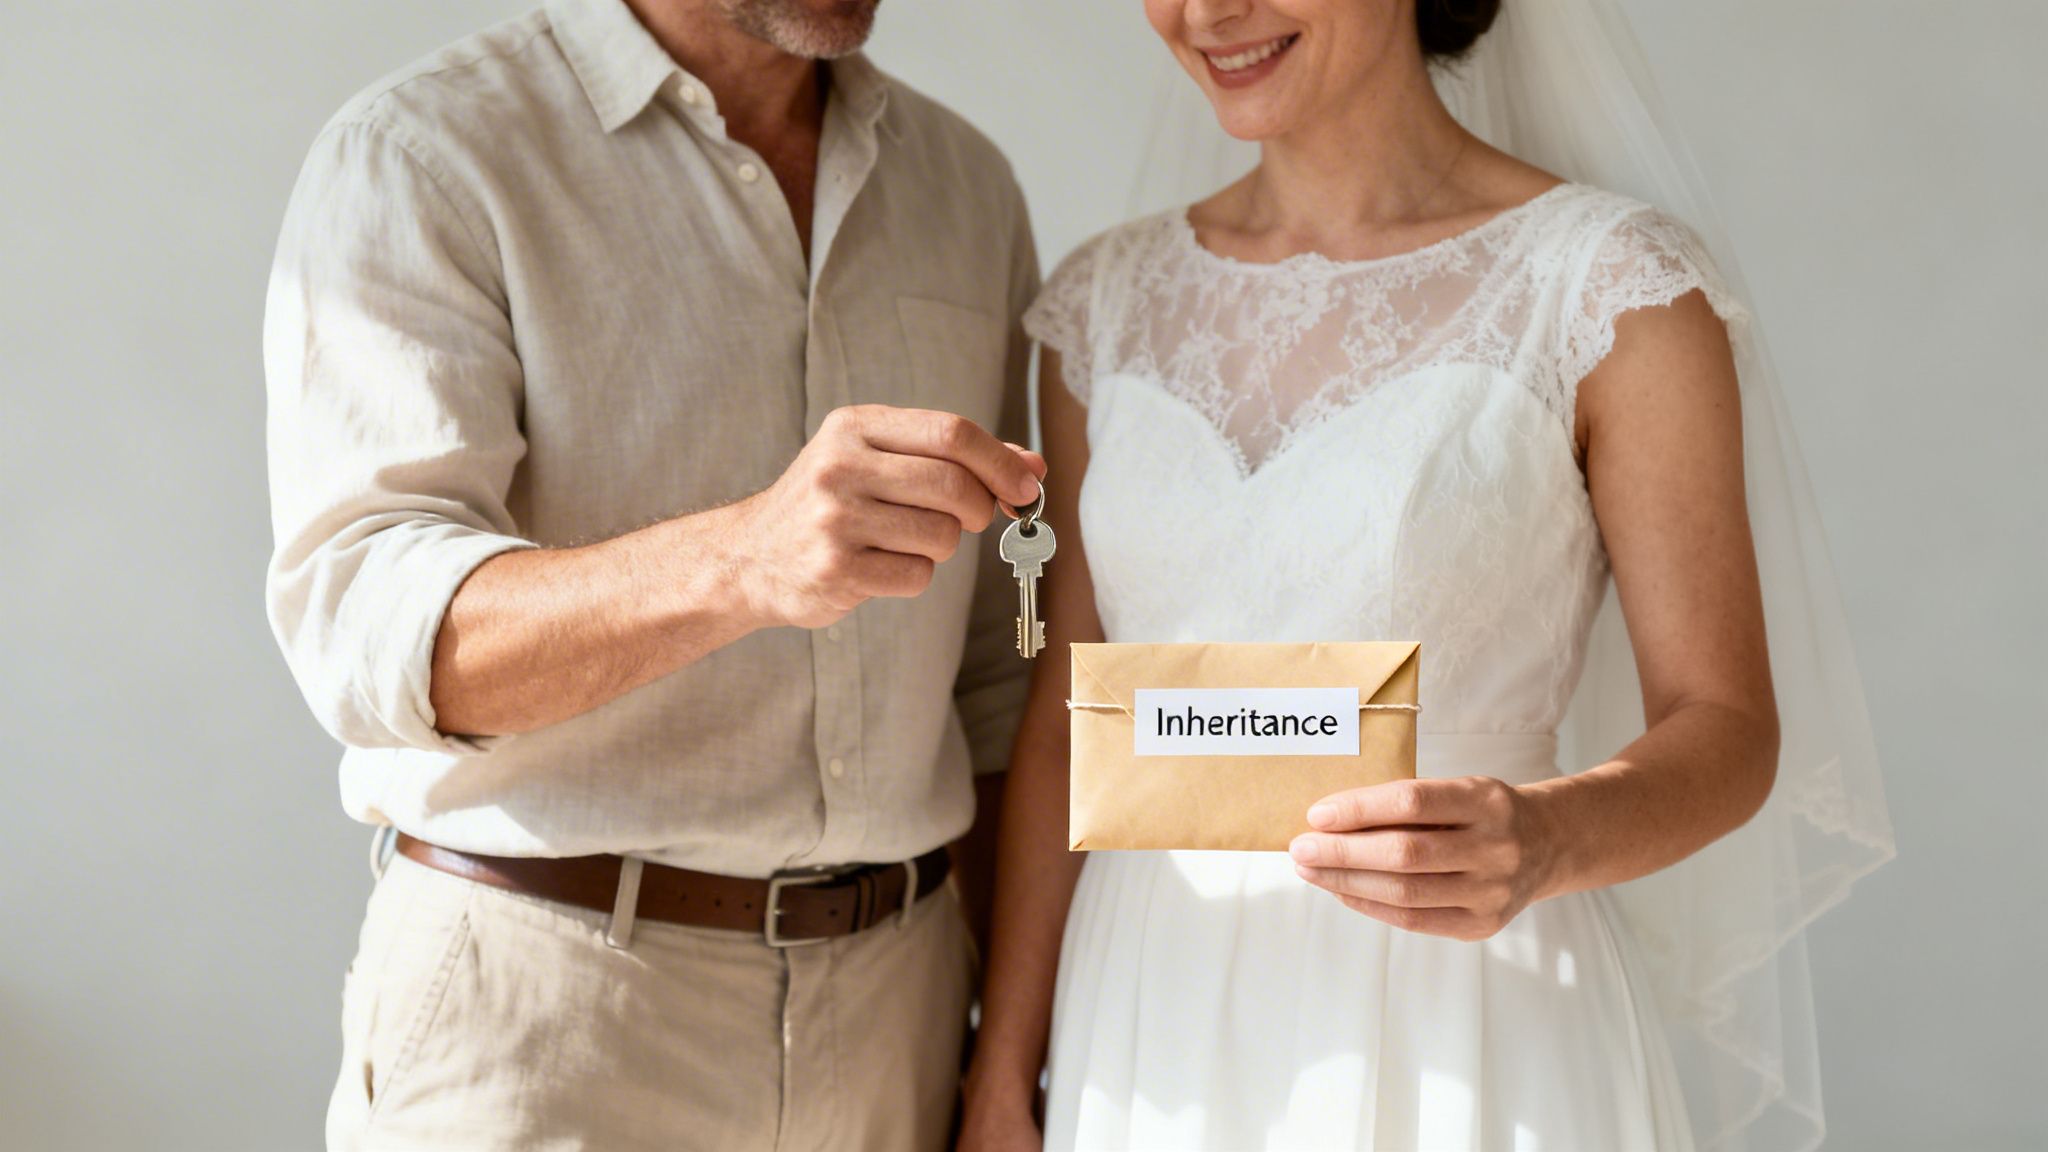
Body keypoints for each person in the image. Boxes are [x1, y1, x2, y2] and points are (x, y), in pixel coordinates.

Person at [960, 0, 1894, 1149]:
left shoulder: (1609, 287)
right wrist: (1003, 1070)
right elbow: (1065, 714)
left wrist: (1549, 836)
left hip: (1468, 1001)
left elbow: (1727, 727)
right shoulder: (1101, 304)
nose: (1206, 12)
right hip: (1148, 1005)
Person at [263, 0, 1046, 1147]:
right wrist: (740, 558)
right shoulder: (424, 156)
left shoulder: (967, 188)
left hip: (904, 1023)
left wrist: (1010, 1045)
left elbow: (990, 682)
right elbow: (375, 645)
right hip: (550, 1024)